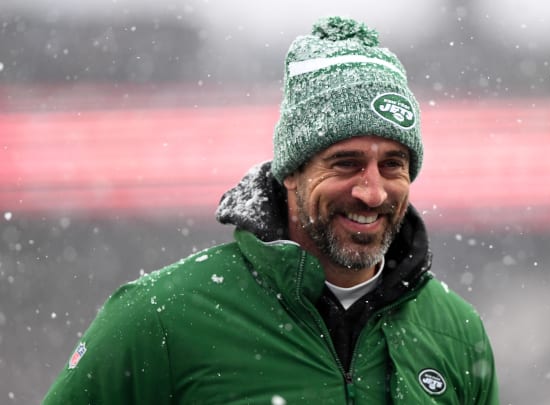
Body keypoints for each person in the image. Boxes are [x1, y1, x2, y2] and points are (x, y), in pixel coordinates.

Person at [43, 16, 499, 404]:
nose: (372, 191)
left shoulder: (456, 334)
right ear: (291, 173)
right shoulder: (161, 318)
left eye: (392, 165)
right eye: (346, 163)